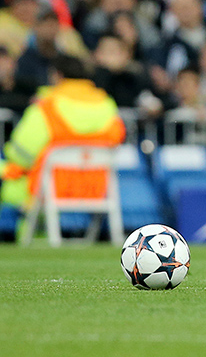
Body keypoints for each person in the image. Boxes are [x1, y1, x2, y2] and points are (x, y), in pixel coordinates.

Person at [0, 55, 125, 241]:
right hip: (95, 186)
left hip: (50, 185)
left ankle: (28, 239)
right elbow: (117, 138)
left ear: (57, 75)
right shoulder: (106, 104)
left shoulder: (48, 106)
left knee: (10, 174)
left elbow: (21, 153)